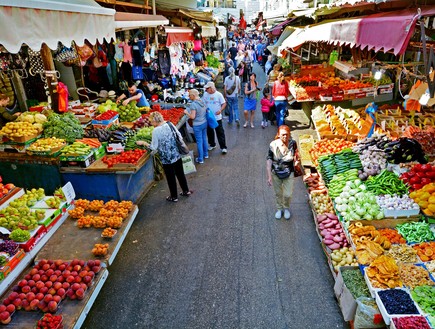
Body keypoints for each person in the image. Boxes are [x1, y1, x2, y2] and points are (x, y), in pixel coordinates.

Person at [141, 111, 191, 202]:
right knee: (180, 174)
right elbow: (179, 136)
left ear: (155, 121)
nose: (151, 123)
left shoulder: (155, 131)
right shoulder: (170, 124)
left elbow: (154, 148)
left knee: (170, 177)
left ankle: (174, 196)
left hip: (166, 159)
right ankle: (186, 191)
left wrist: (144, 143)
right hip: (176, 154)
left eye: (151, 121)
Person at [266, 125, 300, 220]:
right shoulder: (273, 144)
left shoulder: (293, 143)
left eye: (287, 134)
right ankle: (279, 209)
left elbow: (296, 154)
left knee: (287, 194)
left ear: (289, 134)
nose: (285, 137)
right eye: (282, 135)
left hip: (289, 172)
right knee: (278, 193)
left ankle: (286, 208)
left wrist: (297, 160)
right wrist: (269, 176)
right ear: (278, 135)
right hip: (276, 173)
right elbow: (269, 160)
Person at [202, 81, 228, 154]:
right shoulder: (205, 95)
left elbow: (224, 103)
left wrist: (220, 110)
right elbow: (203, 104)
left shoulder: (218, 95)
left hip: (217, 117)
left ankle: (223, 147)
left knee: (220, 132)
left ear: (211, 88)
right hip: (209, 117)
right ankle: (212, 144)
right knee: (209, 132)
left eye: (207, 88)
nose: (206, 90)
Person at [184, 89, 208, 164]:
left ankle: (200, 159)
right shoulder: (202, 101)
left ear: (193, 95)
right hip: (204, 122)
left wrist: (186, 113)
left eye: (190, 95)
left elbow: (192, 117)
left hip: (197, 125)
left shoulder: (193, 104)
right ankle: (206, 154)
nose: (189, 96)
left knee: (199, 141)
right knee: (204, 138)